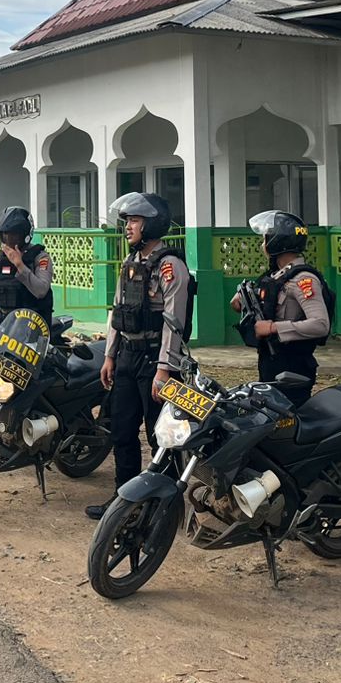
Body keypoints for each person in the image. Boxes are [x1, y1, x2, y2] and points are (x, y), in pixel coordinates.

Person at [86, 192, 192, 521]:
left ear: (151, 224)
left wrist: (164, 370)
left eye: (134, 221)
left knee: (161, 435)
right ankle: (124, 502)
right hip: (128, 358)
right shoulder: (131, 263)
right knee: (121, 430)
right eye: (128, 220)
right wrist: (109, 355)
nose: (128, 227)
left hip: (155, 362)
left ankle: (165, 506)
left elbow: (173, 324)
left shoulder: (170, 266)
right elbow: (117, 312)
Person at [230, 210, 330, 408]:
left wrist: (274, 328)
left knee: (290, 420)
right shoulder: (276, 276)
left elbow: (320, 324)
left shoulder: (303, 280)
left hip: (293, 366)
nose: (262, 244)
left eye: (265, 239)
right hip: (271, 360)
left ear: (277, 241)